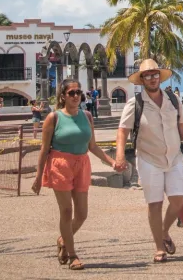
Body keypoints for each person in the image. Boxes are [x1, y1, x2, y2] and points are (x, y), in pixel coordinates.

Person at [115, 59, 183, 264]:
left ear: (160, 77)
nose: (152, 78)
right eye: (148, 75)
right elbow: (122, 131)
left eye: (155, 75)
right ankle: (158, 247)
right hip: (148, 159)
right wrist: (120, 155)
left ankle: (163, 231)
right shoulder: (135, 104)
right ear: (142, 79)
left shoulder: (173, 99)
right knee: (154, 203)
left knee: (178, 199)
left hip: (173, 158)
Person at [32, 79, 120, 271]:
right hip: (60, 164)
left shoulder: (87, 116)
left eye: (78, 92)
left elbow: (93, 146)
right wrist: (38, 176)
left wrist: (112, 162)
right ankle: (72, 255)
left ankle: (63, 239)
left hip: (82, 164)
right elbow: (44, 148)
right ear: (63, 96)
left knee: (82, 214)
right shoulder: (53, 118)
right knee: (66, 211)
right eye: (71, 92)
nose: (75, 96)